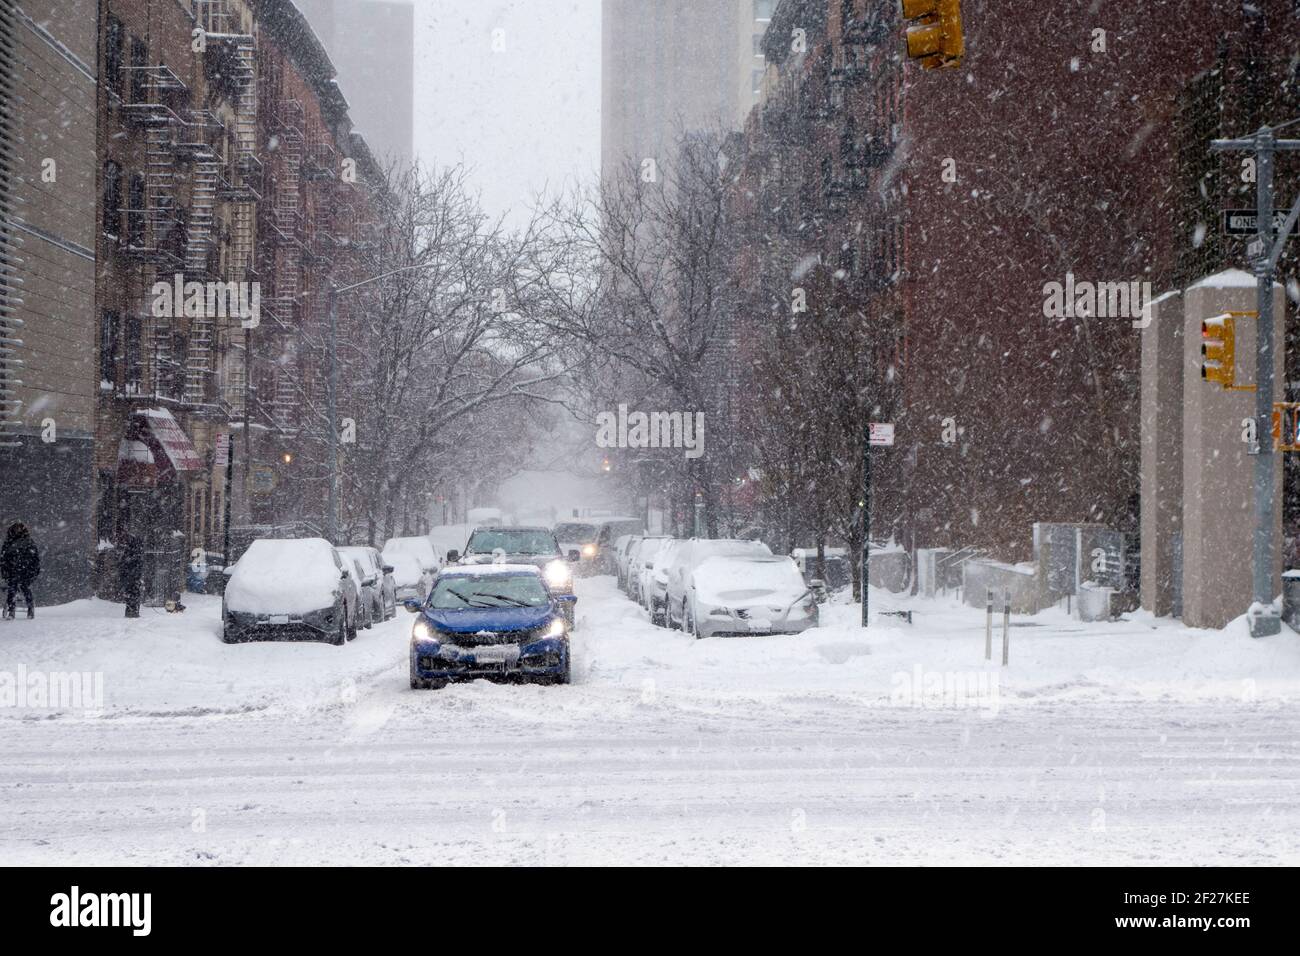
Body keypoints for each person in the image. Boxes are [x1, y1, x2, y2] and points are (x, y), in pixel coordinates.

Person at [1, 522, 41, 620]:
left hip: (23, 569)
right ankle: (13, 609)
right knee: (15, 588)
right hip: (17, 570)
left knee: (21, 587)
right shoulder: (12, 542)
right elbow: (3, 558)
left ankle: (26, 609)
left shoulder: (25, 542)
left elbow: (34, 558)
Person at [119, 532, 144, 619]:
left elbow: (124, 564)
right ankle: (133, 611)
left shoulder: (131, 552)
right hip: (133, 577)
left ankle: (131, 611)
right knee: (134, 594)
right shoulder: (136, 553)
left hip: (131, 577)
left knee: (131, 594)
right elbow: (136, 565)